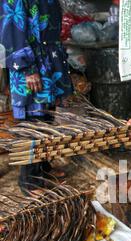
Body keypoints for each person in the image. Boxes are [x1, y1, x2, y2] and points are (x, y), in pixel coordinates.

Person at [0, 0, 73, 195]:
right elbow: (12, 30)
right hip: (31, 64)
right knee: (32, 122)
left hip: (48, 58)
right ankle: (29, 181)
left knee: (47, 118)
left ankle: (43, 170)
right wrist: (27, 68)